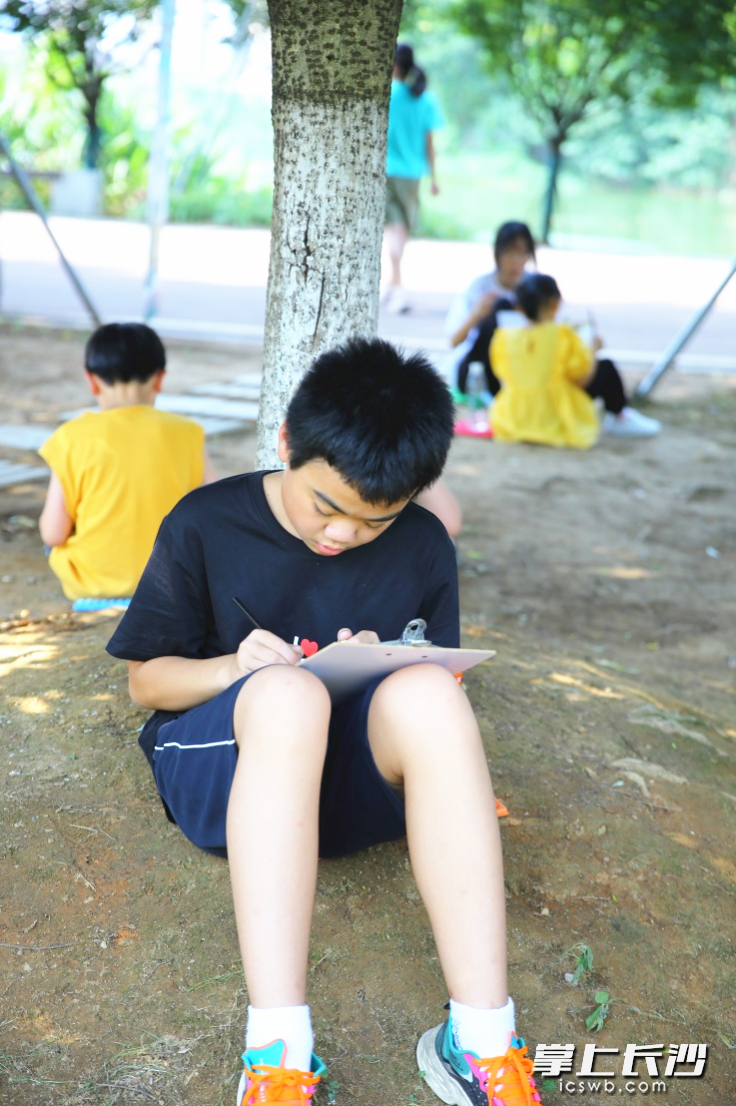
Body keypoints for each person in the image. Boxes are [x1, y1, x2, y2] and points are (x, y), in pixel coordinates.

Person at [106, 337, 544, 1106]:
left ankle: (481, 1041)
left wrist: (395, 665)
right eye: (326, 507)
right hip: (231, 770)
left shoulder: (423, 546)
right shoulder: (206, 523)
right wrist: (235, 668)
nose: (342, 536)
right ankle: (278, 1054)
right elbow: (147, 682)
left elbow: (438, 683)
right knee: (287, 696)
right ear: (285, 444)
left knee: (432, 694)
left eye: (373, 522)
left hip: (344, 785)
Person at [38, 322, 216, 607]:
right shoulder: (187, 432)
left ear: (92, 381)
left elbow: (53, 532)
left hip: (95, 591)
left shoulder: (71, 437)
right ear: (159, 379)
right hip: (171, 585)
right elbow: (213, 509)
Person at [490, 274, 661, 446]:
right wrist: (592, 350)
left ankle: (620, 415)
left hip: (513, 417)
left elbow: (503, 375)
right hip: (556, 415)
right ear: (555, 303)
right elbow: (582, 379)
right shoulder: (563, 335)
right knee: (605, 366)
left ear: (519, 307)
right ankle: (619, 415)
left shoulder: (503, 338)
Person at [382, 43, 443, 315]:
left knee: (392, 229)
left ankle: (395, 286)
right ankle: (397, 287)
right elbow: (430, 144)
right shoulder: (424, 98)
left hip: (383, 171)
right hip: (411, 175)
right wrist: (434, 177)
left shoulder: (385, 94)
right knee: (400, 231)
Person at [445, 221, 536, 398]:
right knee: (500, 307)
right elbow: (453, 340)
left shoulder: (535, 289)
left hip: (520, 367)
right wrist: (476, 316)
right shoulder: (480, 288)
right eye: (509, 253)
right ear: (498, 254)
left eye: (521, 254)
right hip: (480, 368)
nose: (515, 262)